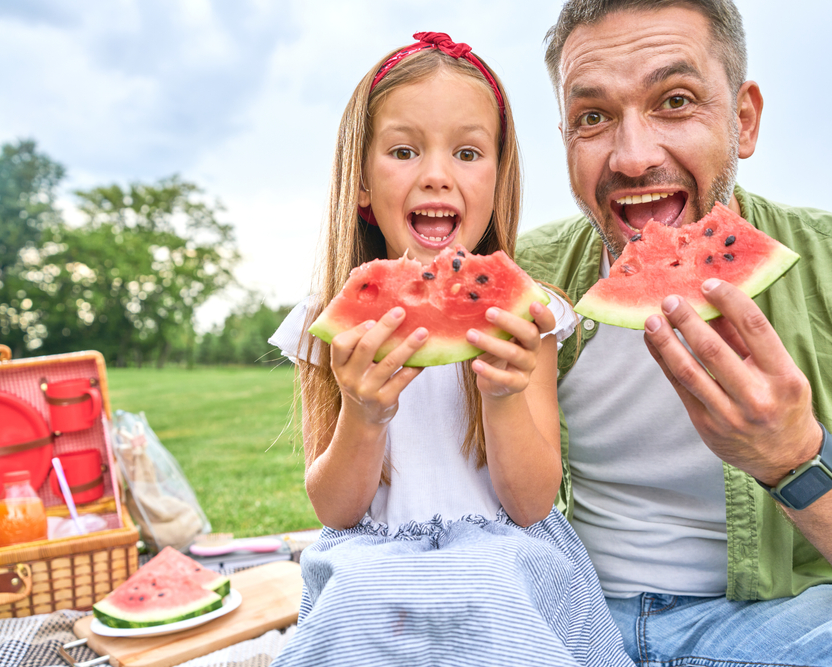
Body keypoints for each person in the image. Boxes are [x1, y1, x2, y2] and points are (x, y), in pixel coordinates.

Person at [515, 1, 832, 665]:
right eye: (594, 117)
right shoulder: (529, 281)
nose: (633, 157)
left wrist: (794, 455)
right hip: (573, 616)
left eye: (675, 101)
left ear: (743, 120)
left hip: (777, 624)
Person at [267, 32, 632, 667]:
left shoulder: (528, 315)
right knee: (352, 610)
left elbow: (531, 502)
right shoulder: (328, 322)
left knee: (496, 603)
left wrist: (504, 395)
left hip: (507, 560)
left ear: (497, 178)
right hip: (374, 563)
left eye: (467, 152)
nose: (436, 175)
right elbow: (335, 508)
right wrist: (363, 413)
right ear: (360, 182)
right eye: (404, 151)